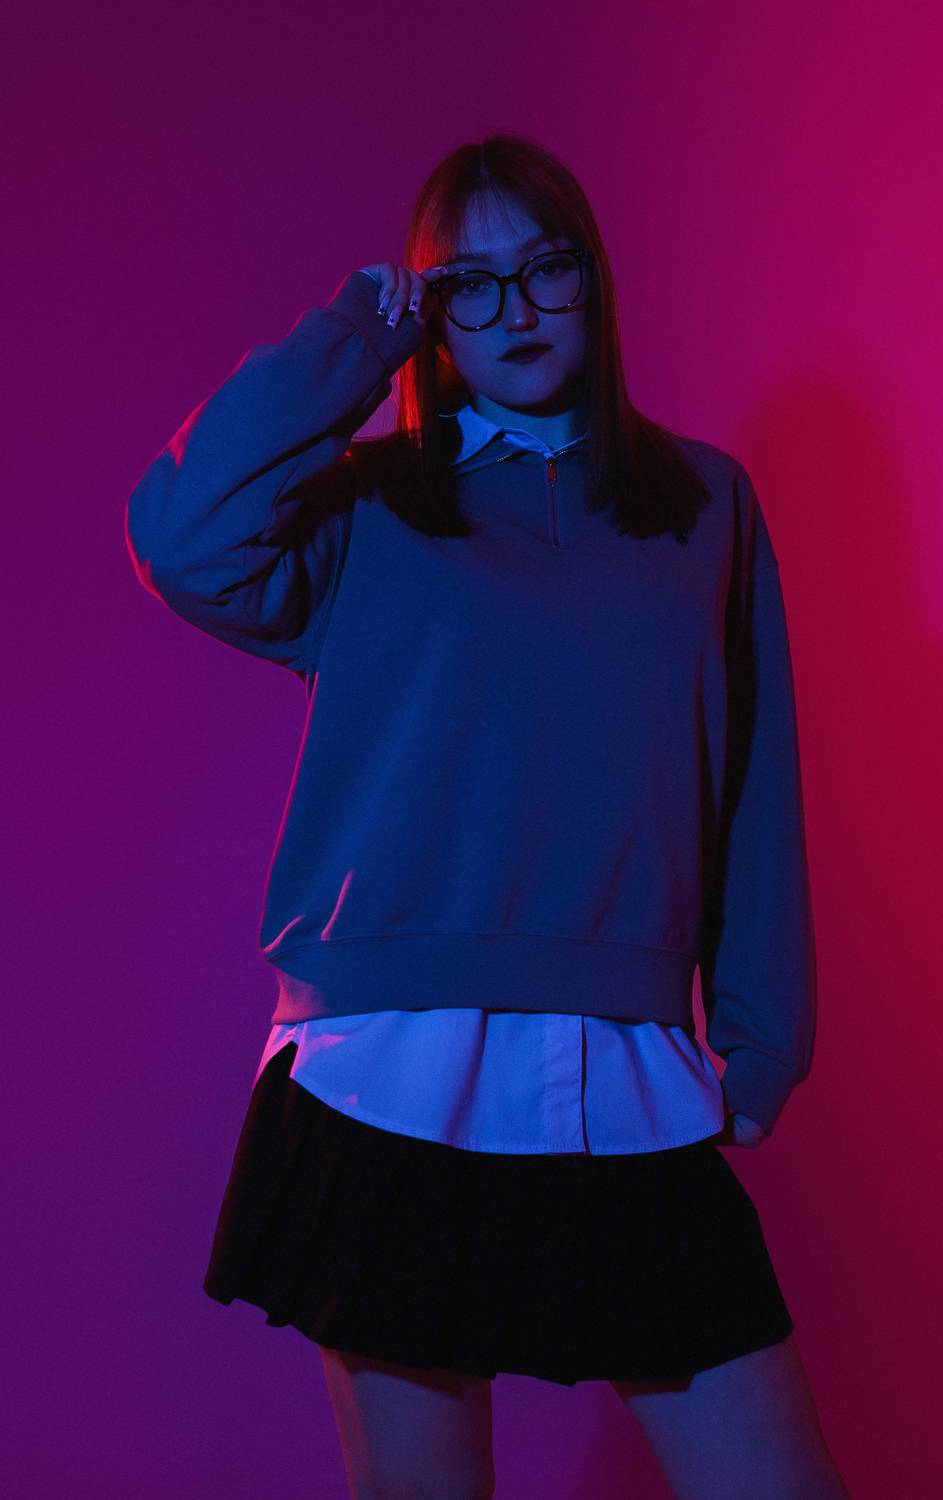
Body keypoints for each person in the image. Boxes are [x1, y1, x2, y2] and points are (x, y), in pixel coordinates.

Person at [125, 133, 850, 1499]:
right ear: (432, 309)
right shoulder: (370, 506)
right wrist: (363, 332)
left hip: (628, 1069)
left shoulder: (706, 505)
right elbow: (181, 536)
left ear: (595, 281)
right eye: (468, 284)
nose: (515, 310)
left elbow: (756, 777)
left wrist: (764, 1040)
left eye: (547, 268)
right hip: (388, 1064)